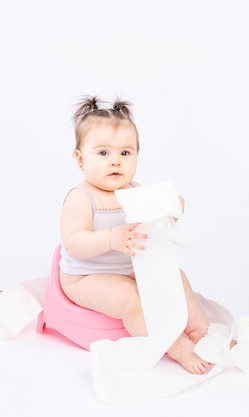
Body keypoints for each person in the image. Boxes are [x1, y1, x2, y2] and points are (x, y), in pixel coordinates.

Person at [59, 95, 214, 374]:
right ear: (81, 159)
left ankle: (201, 331)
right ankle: (176, 346)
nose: (115, 162)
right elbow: (73, 242)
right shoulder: (81, 198)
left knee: (175, 276)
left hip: (129, 267)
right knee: (131, 299)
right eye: (103, 153)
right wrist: (110, 239)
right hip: (86, 276)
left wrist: (171, 210)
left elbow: (155, 224)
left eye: (125, 153)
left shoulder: (135, 190)